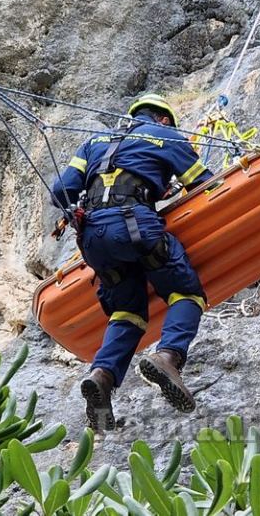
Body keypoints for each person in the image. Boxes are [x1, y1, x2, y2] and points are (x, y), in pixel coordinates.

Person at [51, 93, 214, 429]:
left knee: (128, 312)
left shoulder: (94, 142)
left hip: (93, 238)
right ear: (164, 119)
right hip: (136, 225)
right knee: (186, 292)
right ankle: (168, 356)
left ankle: (102, 377)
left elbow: (61, 190)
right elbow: (202, 182)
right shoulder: (166, 136)